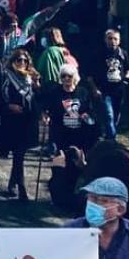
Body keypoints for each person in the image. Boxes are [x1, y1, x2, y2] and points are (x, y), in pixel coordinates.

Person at [43, 64, 98, 209]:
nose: (66, 79)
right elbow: (46, 108)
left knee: (74, 170)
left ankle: (67, 199)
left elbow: (90, 111)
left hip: (78, 137)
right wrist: (45, 115)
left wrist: (86, 116)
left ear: (75, 77)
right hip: (59, 136)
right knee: (58, 169)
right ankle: (56, 199)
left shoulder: (82, 92)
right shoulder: (55, 92)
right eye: (63, 76)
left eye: (69, 76)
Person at [0, 48, 41, 199]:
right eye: (19, 60)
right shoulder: (6, 76)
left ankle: (13, 184)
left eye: (25, 60)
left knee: (20, 154)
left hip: (27, 120)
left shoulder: (30, 78)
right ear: (13, 62)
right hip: (12, 121)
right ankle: (20, 187)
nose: (22, 63)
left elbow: (38, 99)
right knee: (18, 154)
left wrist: (37, 85)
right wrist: (9, 106)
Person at [92, 29, 129, 140]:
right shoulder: (99, 54)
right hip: (104, 90)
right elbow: (91, 74)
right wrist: (94, 88)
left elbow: (128, 69)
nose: (112, 41)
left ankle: (108, 133)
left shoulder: (123, 54)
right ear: (105, 40)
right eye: (110, 38)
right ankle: (112, 139)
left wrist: (126, 77)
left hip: (119, 89)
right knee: (109, 114)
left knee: (116, 114)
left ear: (119, 40)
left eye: (115, 39)